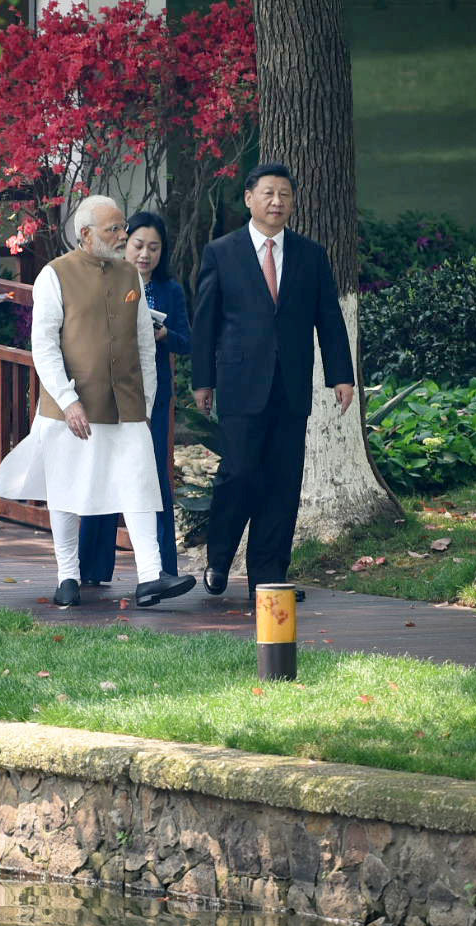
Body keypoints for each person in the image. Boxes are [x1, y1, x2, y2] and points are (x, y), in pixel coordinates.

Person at [0, 195, 196, 608]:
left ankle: (150, 577)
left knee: (140, 486)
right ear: (85, 234)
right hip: (72, 407)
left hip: (128, 404)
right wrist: (67, 401)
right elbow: (44, 345)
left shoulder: (129, 277)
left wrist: (148, 400)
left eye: (122, 228)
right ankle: (67, 575)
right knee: (67, 489)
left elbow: (142, 344)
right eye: (113, 230)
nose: (123, 237)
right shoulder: (54, 275)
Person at [191, 162, 354, 603]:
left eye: (285, 194)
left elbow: (330, 319)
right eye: (268, 193)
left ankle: (268, 575)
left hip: (291, 385)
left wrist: (341, 375)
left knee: (283, 481)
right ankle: (220, 557)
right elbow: (205, 321)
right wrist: (202, 380)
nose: (276, 202)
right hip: (241, 383)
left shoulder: (310, 254)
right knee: (239, 472)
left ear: (293, 202)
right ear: (249, 198)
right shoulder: (221, 252)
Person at [76, 210, 188, 588]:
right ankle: (91, 567)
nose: (145, 254)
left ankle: (162, 569)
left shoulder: (170, 289)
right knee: (101, 473)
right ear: (125, 245)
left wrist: (163, 335)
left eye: (154, 248)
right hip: (107, 392)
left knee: (152, 476)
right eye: (138, 245)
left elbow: (187, 340)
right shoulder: (104, 280)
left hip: (151, 396)